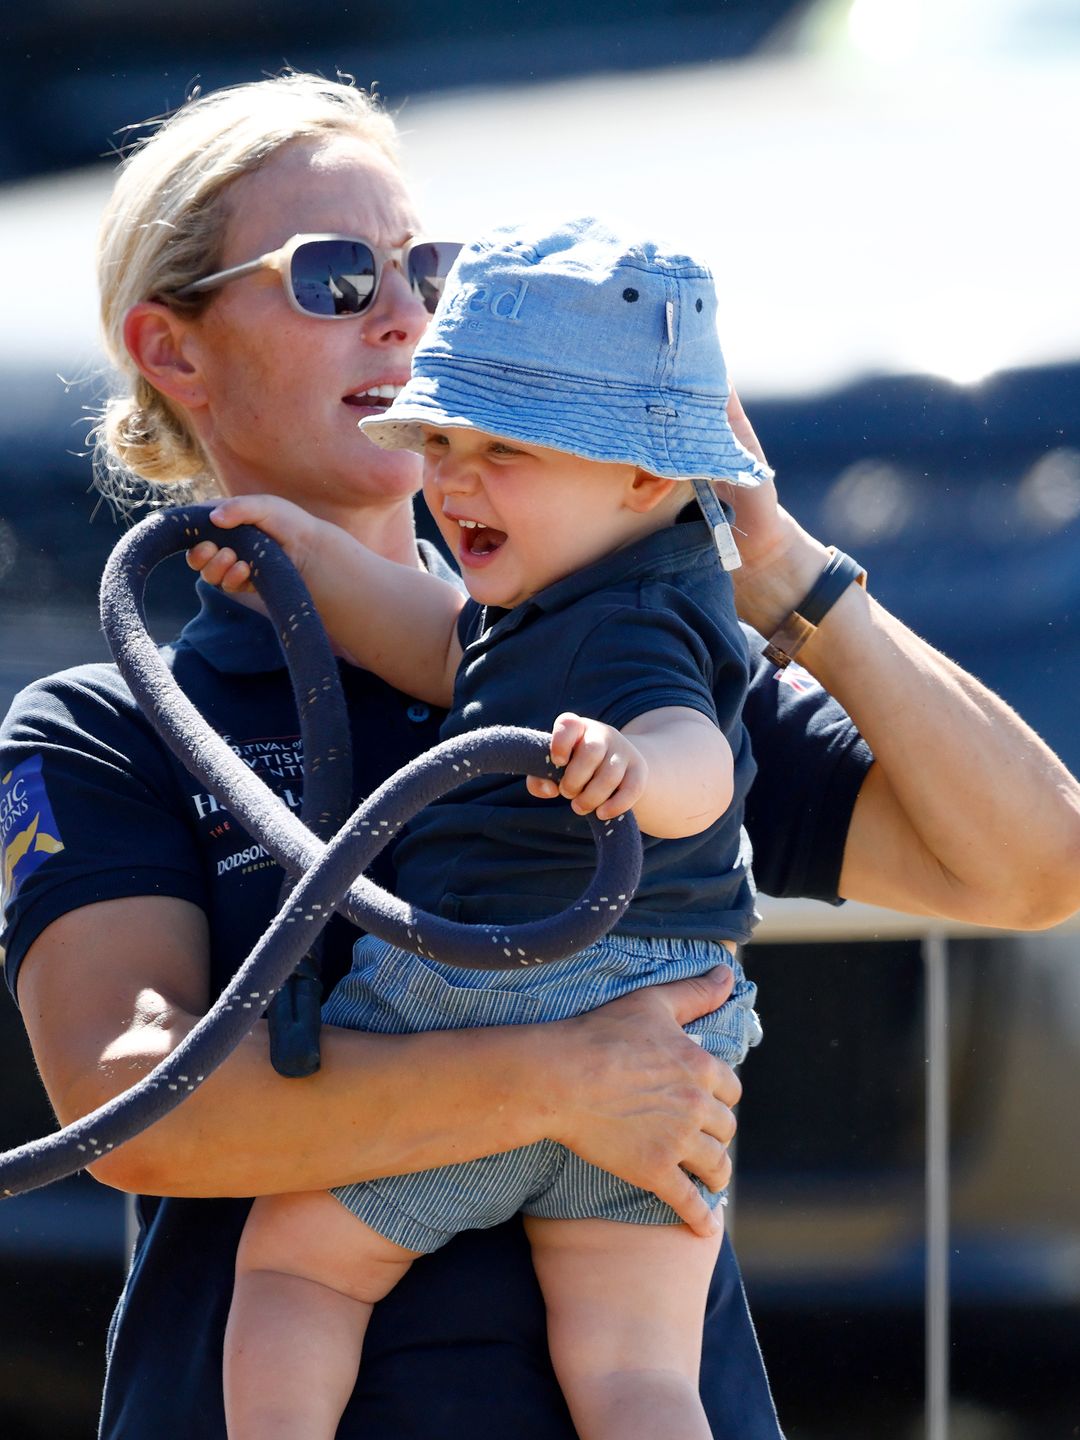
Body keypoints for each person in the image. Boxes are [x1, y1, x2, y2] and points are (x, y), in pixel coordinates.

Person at [1, 72, 1078, 1440]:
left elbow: (1038, 868)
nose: (401, 314)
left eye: (427, 270)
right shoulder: (104, 727)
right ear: (175, 352)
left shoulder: (617, 671)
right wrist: (564, 1078)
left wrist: (789, 572)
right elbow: (137, 1103)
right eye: (334, 277)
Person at [189, 215, 773, 1440]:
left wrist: (632, 768)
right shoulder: (554, 596)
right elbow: (432, 637)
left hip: (500, 982)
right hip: (678, 1029)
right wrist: (301, 554)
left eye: (502, 448)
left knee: (296, 1267)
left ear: (645, 476)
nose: (453, 480)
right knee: (636, 1374)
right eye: (441, 441)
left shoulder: (636, 621)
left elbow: (701, 759)